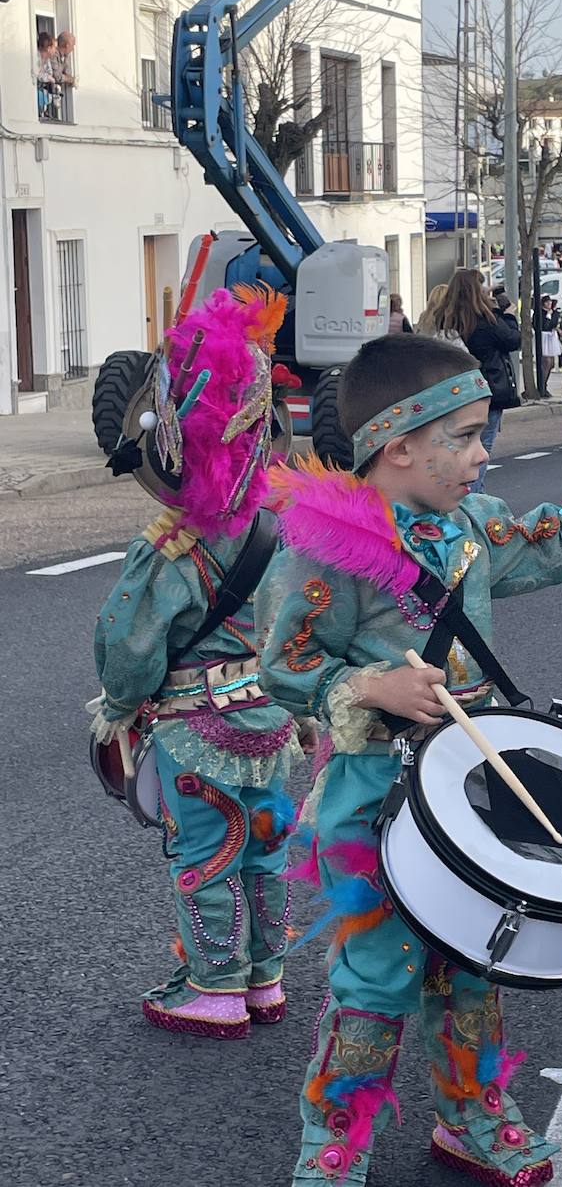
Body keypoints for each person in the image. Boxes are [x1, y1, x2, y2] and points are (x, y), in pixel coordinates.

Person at [256, 333, 562, 1186]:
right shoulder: (321, 544)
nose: (482, 455)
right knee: (378, 970)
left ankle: (471, 1113)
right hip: (376, 789)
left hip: (469, 783)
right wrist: (371, 687)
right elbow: (282, 663)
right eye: (465, 437)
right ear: (399, 446)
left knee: (473, 963)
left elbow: (537, 544)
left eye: (483, 436)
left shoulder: (465, 525)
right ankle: (337, 1135)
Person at [90, 285, 301, 1039]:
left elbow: (128, 649)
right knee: (266, 852)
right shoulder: (278, 530)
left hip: (194, 732)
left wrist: (118, 703)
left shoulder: (167, 545)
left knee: (206, 855)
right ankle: (265, 980)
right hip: (272, 722)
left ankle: (213, 988)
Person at [440, 268, 520, 489]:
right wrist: (510, 314)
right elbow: (512, 340)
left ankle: (463, 494)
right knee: (481, 447)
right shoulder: (485, 320)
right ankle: (474, 499)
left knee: (458, 446)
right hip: (487, 389)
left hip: (454, 392)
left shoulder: (445, 319)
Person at [539, 293, 561, 396]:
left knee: (551, 363)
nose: (549, 304)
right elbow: (545, 325)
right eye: (547, 302)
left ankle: (545, 383)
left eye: (550, 302)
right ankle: (542, 385)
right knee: (546, 362)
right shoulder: (540, 313)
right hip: (544, 336)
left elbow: (554, 324)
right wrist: (548, 316)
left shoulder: (555, 313)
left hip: (552, 336)